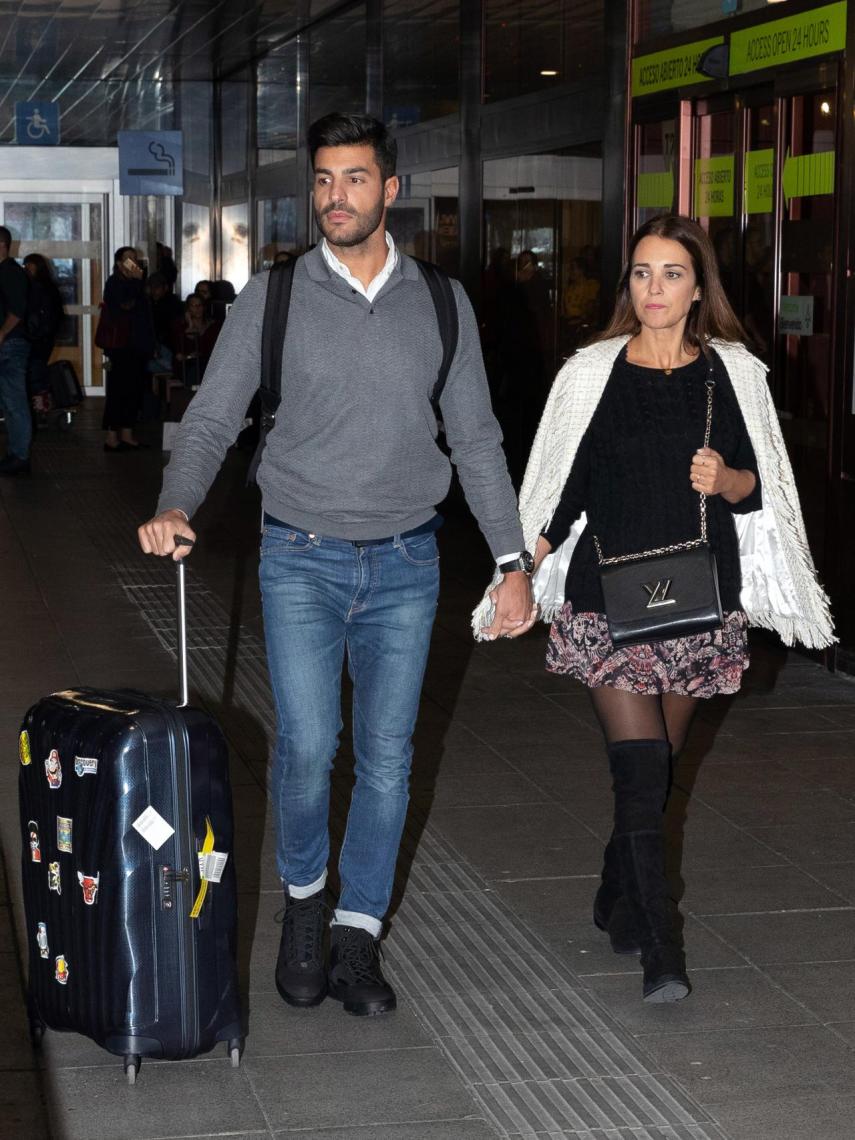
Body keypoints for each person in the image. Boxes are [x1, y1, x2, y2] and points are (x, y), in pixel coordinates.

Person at [138, 111, 534, 1017]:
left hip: (408, 562)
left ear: (390, 189)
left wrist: (510, 561)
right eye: (322, 180)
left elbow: (474, 437)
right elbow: (211, 419)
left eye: (354, 179)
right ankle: (305, 907)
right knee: (310, 748)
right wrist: (175, 503)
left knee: (388, 760)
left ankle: (358, 934)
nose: (334, 197)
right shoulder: (271, 299)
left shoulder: (441, 301)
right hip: (301, 557)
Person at [473, 213, 834, 1003]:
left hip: (699, 598)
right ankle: (659, 943)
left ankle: (615, 894)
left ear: (698, 286)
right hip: (609, 600)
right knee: (639, 769)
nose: (653, 289)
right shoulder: (590, 374)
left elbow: (761, 487)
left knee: (655, 776)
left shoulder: (731, 374)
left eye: (670, 273)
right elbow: (560, 494)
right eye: (640, 272)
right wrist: (520, 571)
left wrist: (725, 480)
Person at [101, 246, 155, 452]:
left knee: (133, 390)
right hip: (121, 346)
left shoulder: (137, 283)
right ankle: (112, 436)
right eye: (128, 259)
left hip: (136, 345)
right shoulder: (115, 282)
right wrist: (135, 281)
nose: (133, 263)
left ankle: (127, 434)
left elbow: (144, 314)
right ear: (118, 263)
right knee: (118, 390)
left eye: (135, 258)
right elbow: (125, 304)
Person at [0, 225, 32, 475]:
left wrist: (1, 334)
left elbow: (17, 311)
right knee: (11, 401)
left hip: (10, 345)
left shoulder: (10, 273)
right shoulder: (8, 272)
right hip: (9, 344)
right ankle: (16, 454)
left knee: (14, 401)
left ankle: (19, 456)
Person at [22, 252, 64, 416]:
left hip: (36, 337)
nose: (26, 269)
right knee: (37, 370)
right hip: (43, 338)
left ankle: (38, 407)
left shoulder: (35, 288)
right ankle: (41, 406)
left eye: (29, 266)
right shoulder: (49, 287)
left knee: (34, 371)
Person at [171, 293, 219, 385]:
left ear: (204, 307)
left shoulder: (213, 326)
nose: (197, 308)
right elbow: (179, 351)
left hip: (207, 361)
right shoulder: (180, 325)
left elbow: (212, 347)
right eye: (193, 306)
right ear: (188, 308)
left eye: (199, 305)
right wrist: (190, 325)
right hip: (186, 363)